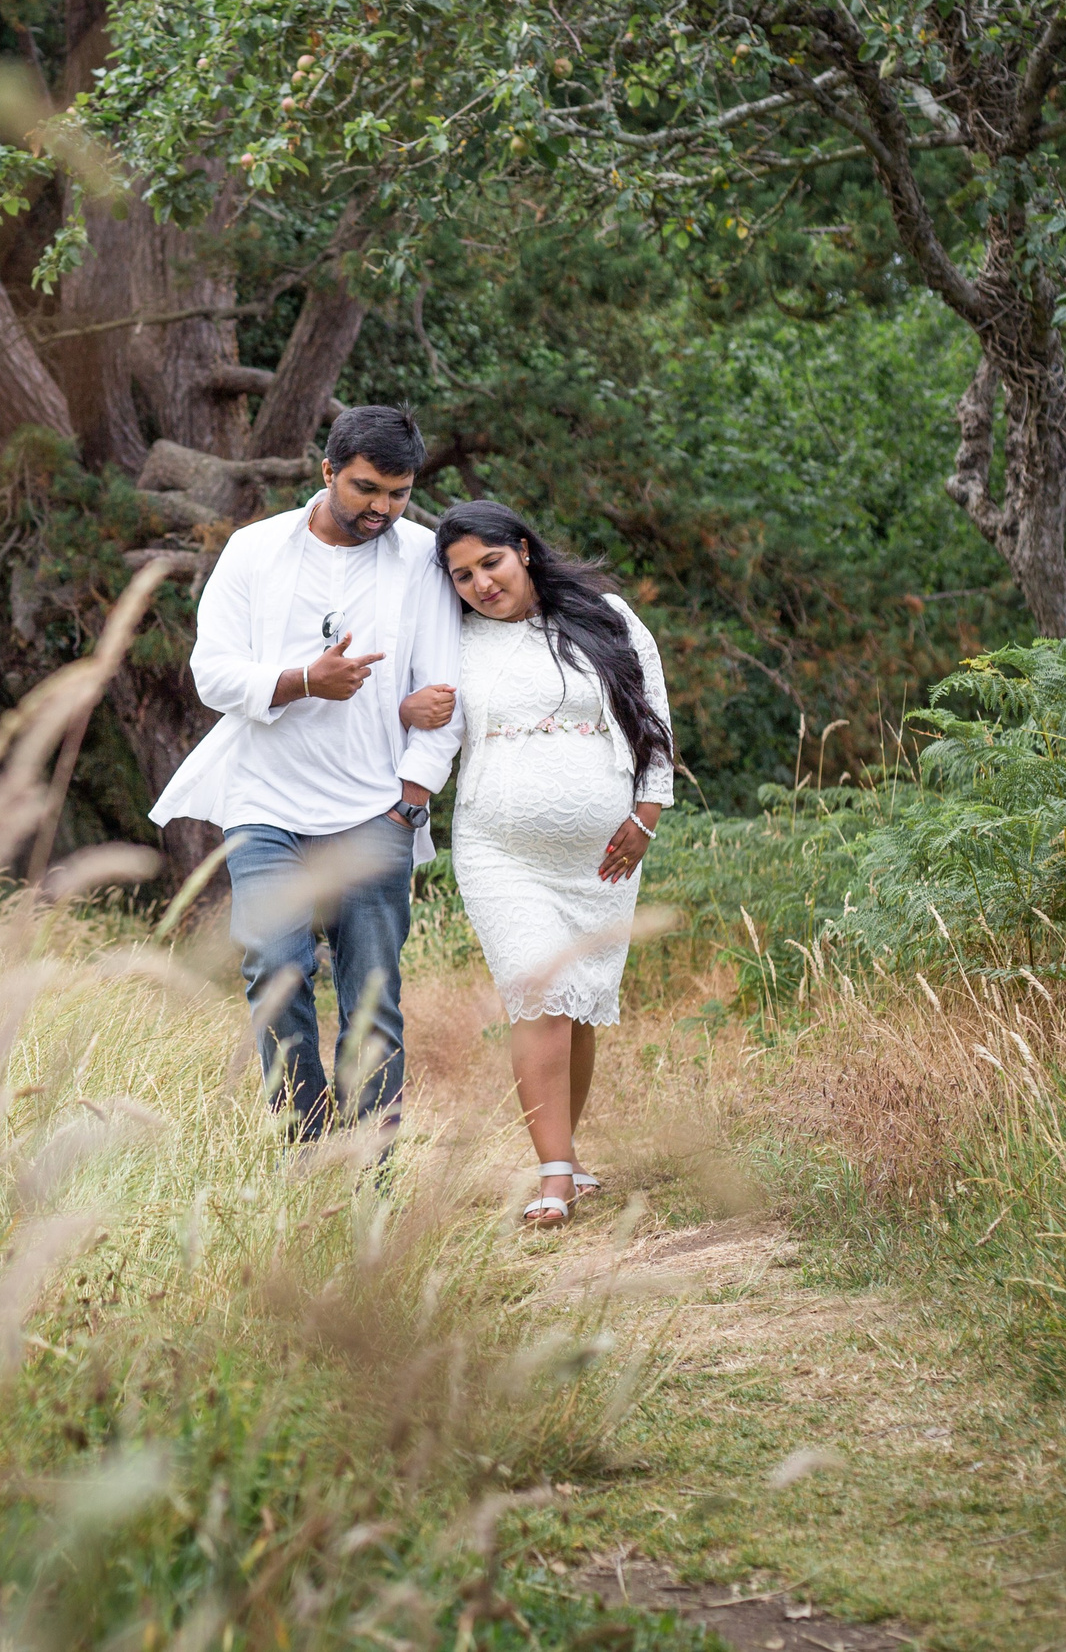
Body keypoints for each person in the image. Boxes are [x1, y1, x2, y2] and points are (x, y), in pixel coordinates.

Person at [151, 407, 464, 1142]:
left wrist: (408, 805)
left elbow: (445, 697)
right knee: (275, 973)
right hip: (267, 807)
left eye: (398, 493)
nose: (381, 508)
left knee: (373, 1001)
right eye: (365, 489)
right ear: (327, 472)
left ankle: (369, 1169)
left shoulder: (422, 557)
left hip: (374, 812)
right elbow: (211, 676)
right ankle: (305, 1144)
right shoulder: (255, 551)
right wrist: (301, 680)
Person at [398, 501, 674, 1225]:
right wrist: (405, 714)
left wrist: (648, 813)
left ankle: (568, 1157)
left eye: (490, 562)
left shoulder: (606, 617)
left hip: (603, 857)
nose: (481, 584)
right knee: (542, 996)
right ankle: (553, 1175)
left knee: (576, 1006)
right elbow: (426, 725)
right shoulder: (453, 643)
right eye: (462, 576)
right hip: (500, 852)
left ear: (522, 549)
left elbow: (654, 716)